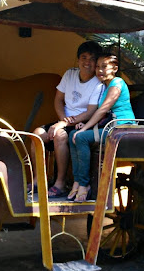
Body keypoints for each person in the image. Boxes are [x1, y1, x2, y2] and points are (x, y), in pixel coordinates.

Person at [30, 41, 103, 197]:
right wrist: (62, 120)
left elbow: (90, 112)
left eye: (92, 59)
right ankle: (38, 180)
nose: (87, 62)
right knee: (37, 134)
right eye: (84, 57)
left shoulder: (98, 83)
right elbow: (58, 100)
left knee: (60, 135)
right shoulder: (70, 74)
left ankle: (60, 183)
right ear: (78, 59)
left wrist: (63, 124)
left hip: (82, 123)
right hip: (64, 120)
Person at [68, 53, 136, 202]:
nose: (99, 70)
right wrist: (85, 126)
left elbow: (103, 109)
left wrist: (85, 128)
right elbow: (104, 114)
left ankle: (84, 184)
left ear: (115, 69)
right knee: (72, 134)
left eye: (104, 67)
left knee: (81, 137)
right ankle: (77, 181)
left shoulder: (117, 83)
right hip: (111, 127)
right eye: (98, 67)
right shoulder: (105, 86)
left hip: (122, 128)